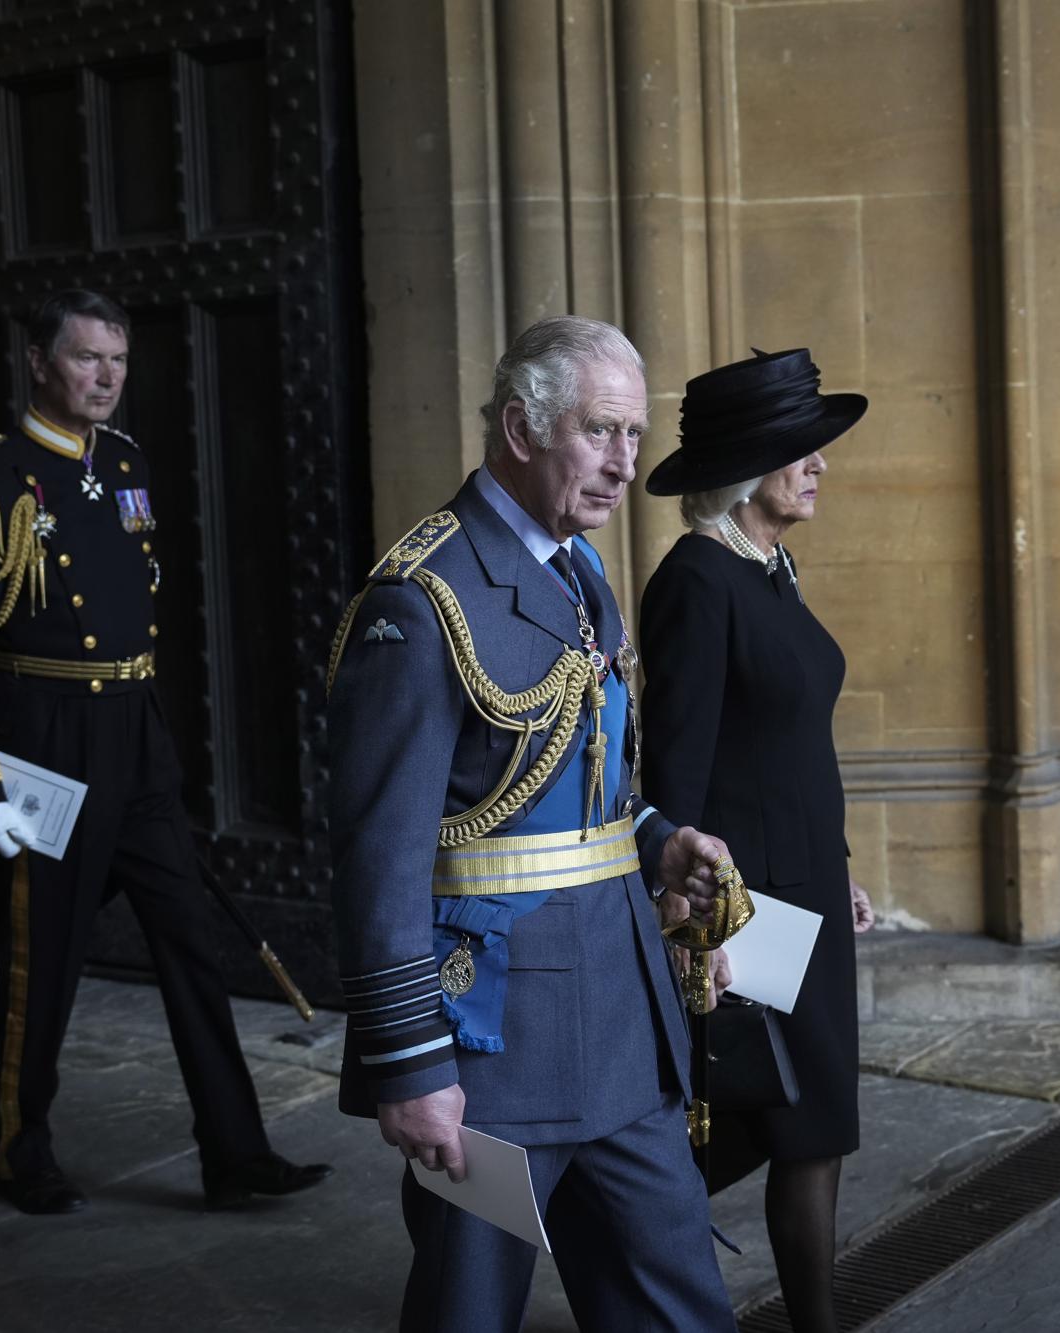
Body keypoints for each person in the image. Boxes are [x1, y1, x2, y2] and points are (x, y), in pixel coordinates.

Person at [328, 316, 738, 1332]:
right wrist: (410, 1065)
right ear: (519, 426)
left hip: (620, 1022)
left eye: (634, 438)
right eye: (601, 432)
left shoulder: (577, 571)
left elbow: (572, 785)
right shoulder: (422, 599)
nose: (623, 463)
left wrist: (656, 839)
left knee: (677, 1300)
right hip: (491, 1047)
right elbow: (377, 858)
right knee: (468, 1312)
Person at [0, 288, 332, 1216]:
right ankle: (18, 1142)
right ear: (39, 362)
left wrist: (153, 745)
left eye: (117, 360)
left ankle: (235, 1150)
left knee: (190, 940)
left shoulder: (129, 462)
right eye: (85, 359)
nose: (105, 377)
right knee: (46, 956)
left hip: (132, 738)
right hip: (44, 744)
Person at [639, 347, 873, 1333]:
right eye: (800, 450)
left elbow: (788, 746)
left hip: (807, 890)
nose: (819, 463)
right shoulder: (696, 581)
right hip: (752, 909)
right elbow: (675, 779)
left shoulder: (768, 565)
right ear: (744, 468)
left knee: (806, 1125)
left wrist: (842, 871)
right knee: (776, 1124)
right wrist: (698, 928)